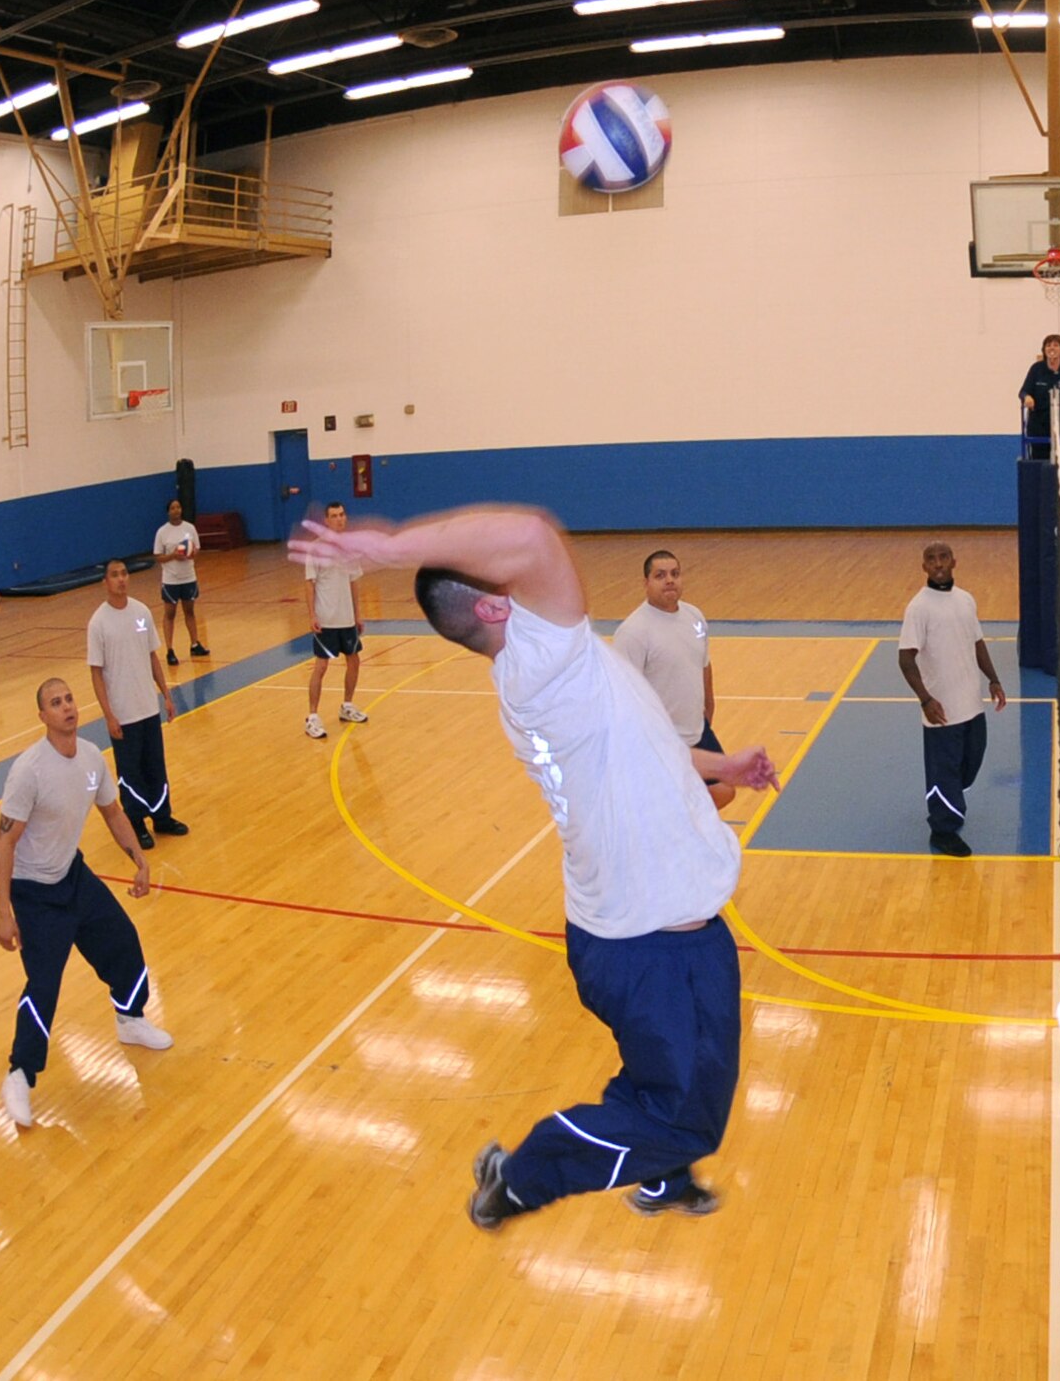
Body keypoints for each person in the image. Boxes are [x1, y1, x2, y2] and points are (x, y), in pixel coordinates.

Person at [287, 505, 782, 1228]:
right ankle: (517, 1178)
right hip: (649, 946)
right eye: (506, 582)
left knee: (687, 1090)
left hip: (649, 936)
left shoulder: (550, 673)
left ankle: (663, 1168)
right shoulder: (547, 657)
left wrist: (721, 761)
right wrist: (389, 547)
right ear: (494, 604)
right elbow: (530, 537)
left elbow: (640, 739)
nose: (533, 582)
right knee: (684, 1113)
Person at [0, 677, 172, 1129]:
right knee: (45, 984)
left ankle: (130, 1019)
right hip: (34, 894)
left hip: (74, 877)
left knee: (124, 944)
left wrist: (139, 861)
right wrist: (5, 914)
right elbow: (4, 845)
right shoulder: (28, 771)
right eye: (55, 703)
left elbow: (112, 811)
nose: (67, 707)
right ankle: (20, 1073)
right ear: (43, 717)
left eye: (69, 699)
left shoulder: (92, 758)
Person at [899, 541, 1007, 857]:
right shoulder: (918, 607)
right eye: (931, 559)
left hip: (971, 705)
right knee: (943, 772)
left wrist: (994, 678)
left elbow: (977, 642)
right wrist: (925, 699)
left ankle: (948, 804)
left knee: (970, 762)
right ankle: (943, 830)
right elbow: (906, 659)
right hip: (942, 711)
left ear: (953, 561)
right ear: (924, 567)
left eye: (943, 557)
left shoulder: (966, 600)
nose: (938, 563)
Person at [613, 548, 736, 809]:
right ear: (646, 583)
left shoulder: (695, 617)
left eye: (675, 574)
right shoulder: (633, 632)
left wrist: (708, 709)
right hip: (662, 740)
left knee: (724, 789)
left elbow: (703, 662)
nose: (669, 580)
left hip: (697, 730)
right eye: (660, 575)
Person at [87, 559, 186, 851]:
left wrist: (166, 695)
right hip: (123, 714)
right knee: (130, 772)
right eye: (115, 575)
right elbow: (96, 671)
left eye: (124, 574)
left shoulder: (141, 612)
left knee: (155, 766)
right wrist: (108, 715)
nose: (121, 580)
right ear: (105, 582)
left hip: (148, 709)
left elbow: (152, 657)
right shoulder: (98, 623)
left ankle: (162, 817)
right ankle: (136, 822)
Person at [302, 502, 369, 740]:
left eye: (342, 515)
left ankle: (347, 705)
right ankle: (312, 717)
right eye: (334, 516)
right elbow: (309, 584)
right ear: (326, 521)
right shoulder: (315, 549)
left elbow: (353, 582)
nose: (339, 519)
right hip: (326, 619)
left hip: (347, 619)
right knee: (321, 666)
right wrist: (312, 615)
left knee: (354, 661)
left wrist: (357, 614)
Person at [151, 499, 210, 668]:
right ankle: (170, 650)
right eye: (173, 508)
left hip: (188, 576)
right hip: (170, 579)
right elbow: (158, 556)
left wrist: (191, 554)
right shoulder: (162, 532)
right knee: (170, 613)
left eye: (178, 507)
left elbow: (196, 548)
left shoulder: (190, 528)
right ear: (168, 511)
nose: (176, 510)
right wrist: (173, 556)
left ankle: (195, 644)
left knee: (189, 611)